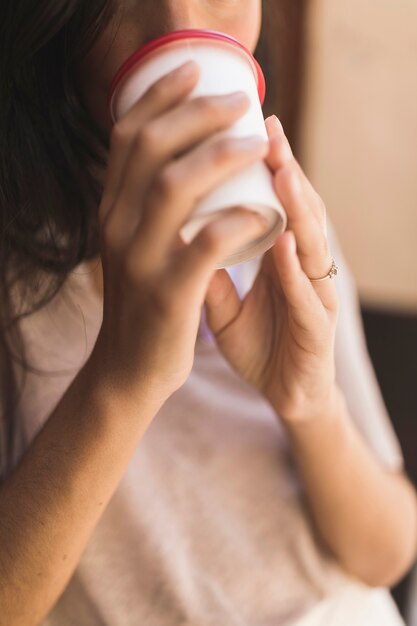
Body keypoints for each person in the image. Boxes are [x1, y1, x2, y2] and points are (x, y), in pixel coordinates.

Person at [0, 1, 416, 625]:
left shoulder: (290, 224)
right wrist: (124, 377)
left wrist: (309, 402)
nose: (180, 23)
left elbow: (387, 555)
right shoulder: (17, 281)